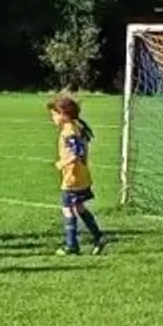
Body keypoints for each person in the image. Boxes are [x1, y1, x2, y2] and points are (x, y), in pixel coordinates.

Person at [48, 93, 108, 256]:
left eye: (53, 114)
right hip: (81, 175)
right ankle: (99, 236)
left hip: (73, 177)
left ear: (63, 114)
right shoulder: (76, 125)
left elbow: (77, 152)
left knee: (68, 209)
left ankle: (71, 245)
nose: (52, 118)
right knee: (79, 207)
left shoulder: (69, 131)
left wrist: (62, 163)